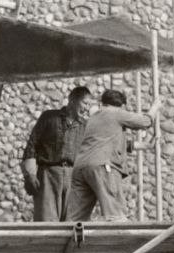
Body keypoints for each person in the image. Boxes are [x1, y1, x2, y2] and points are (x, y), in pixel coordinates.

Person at [66, 88, 160, 222]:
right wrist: (155, 107)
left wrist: (144, 145)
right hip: (102, 167)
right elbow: (145, 122)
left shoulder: (94, 118)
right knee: (115, 215)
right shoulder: (115, 112)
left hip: (80, 167)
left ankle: (68, 235)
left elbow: (108, 141)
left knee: (75, 220)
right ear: (121, 106)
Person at [21, 86, 92, 221]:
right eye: (85, 103)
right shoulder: (49, 117)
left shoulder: (85, 126)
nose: (87, 108)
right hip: (48, 176)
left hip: (73, 178)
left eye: (89, 105)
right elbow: (32, 145)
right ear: (72, 100)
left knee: (73, 223)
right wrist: (29, 174)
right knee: (46, 222)